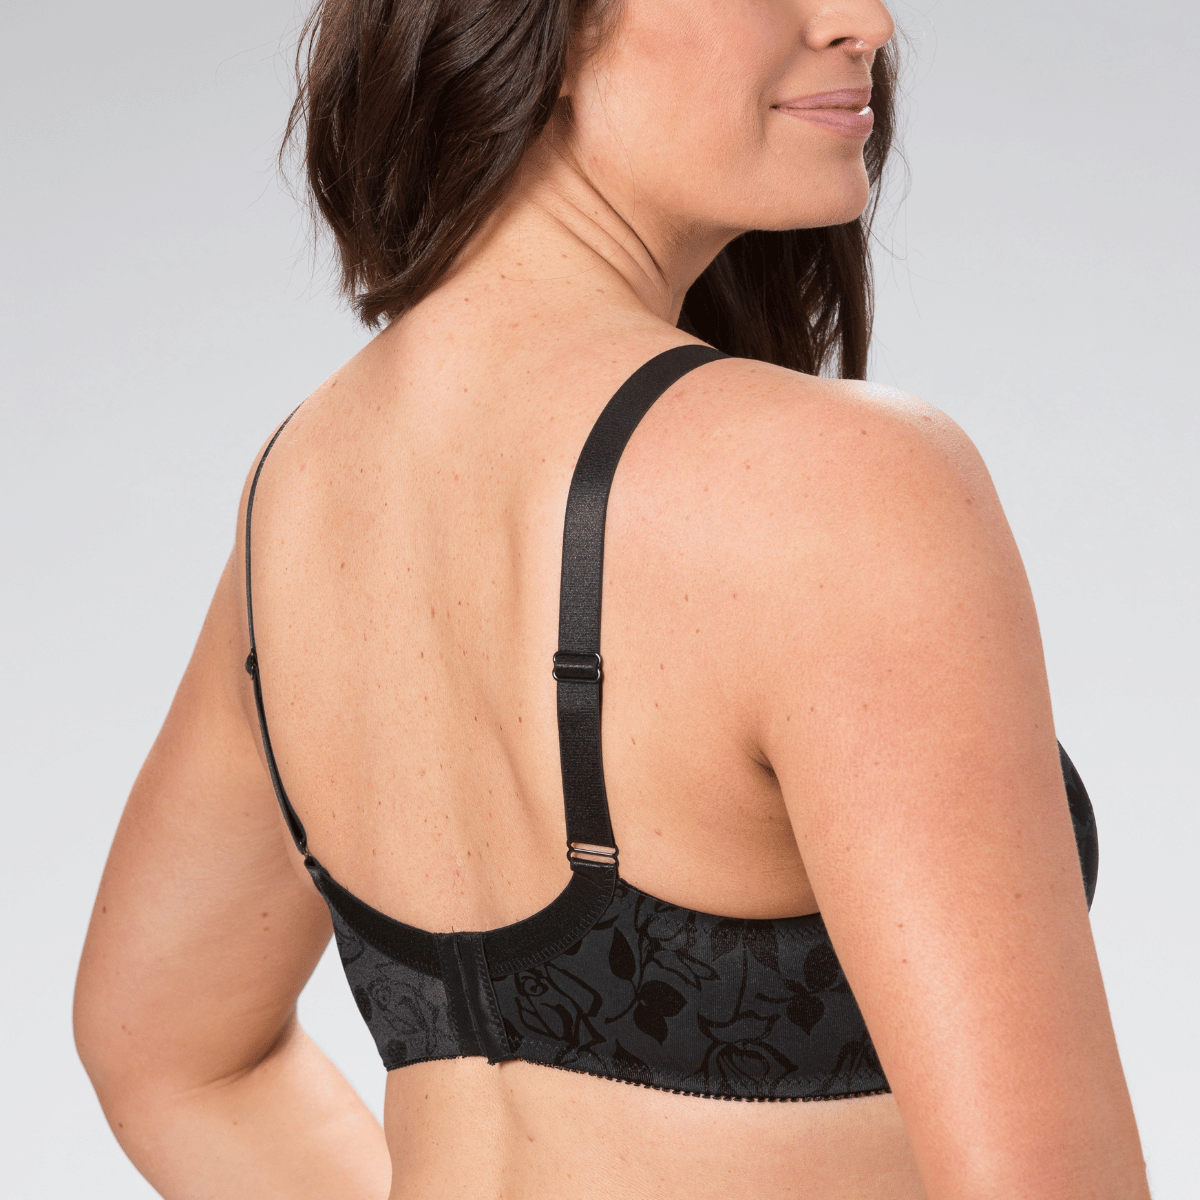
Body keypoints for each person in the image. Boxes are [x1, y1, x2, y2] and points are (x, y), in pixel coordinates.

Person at [73, 0, 1150, 1196]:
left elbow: (167, 1053)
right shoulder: (834, 488)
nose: (866, 21)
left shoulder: (300, 490)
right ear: (542, 28)